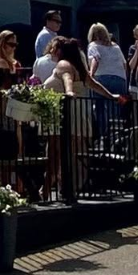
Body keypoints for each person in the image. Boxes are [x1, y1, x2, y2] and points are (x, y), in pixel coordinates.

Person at [43, 39, 120, 195]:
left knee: (55, 154)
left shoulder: (64, 64)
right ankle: (64, 187)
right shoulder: (79, 67)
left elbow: (67, 81)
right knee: (73, 154)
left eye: (54, 48)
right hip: (78, 116)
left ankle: (53, 190)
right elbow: (94, 84)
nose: (51, 51)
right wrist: (111, 96)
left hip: (63, 116)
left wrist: (69, 93)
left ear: (60, 50)